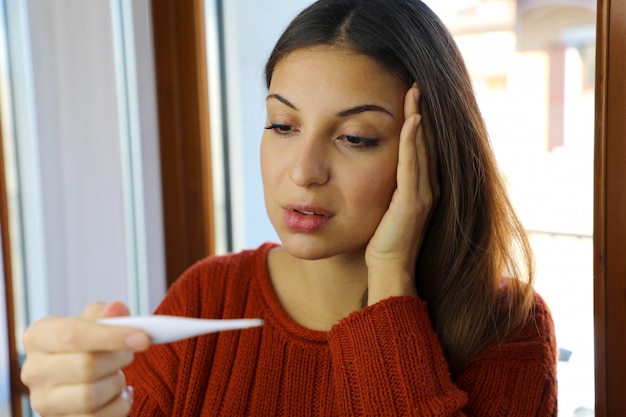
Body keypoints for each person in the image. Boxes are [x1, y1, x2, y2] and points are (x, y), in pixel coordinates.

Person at [20, 0, 558, 415]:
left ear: (431, 153)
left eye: (354, 137)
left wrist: (391, 279)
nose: (304, 171)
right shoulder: (209, 296)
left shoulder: (508, 329)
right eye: (282, 125)